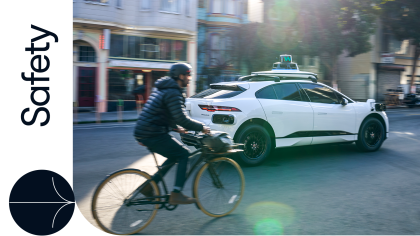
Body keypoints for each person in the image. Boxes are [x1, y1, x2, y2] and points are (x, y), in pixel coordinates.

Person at [134, 63, 210, 205]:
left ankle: (149, 186)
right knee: (183, 154)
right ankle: (176, 193)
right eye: (188, 75)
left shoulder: (163, 88)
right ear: (180, 76)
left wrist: (176, 128)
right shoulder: (174, 92)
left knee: (174, 156)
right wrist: (202, 127)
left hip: (144, 131)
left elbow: (163, 113)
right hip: (152, 133)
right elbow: (181, 118)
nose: (189, 78)